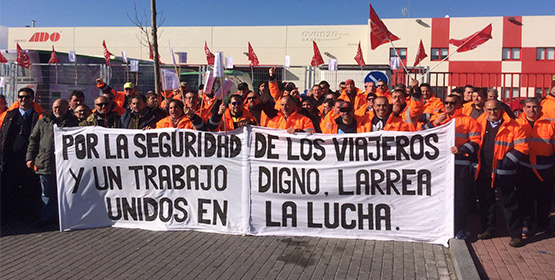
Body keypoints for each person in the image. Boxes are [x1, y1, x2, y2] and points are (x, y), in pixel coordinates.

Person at [422, 95, 481, 239]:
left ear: (459, 104)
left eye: (452, 103)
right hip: (439, 165)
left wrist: (462, 149)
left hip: (459, 164)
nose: (448, 105)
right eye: (446, 102)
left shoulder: (469, 121)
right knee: (438, 197)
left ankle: (460, 228)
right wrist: (435, 123)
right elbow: (423, 133)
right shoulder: (439, 118)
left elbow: (476, 142)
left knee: (459, 198)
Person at [474, 99, 528, 247]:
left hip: (505, 172)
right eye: (489, 110)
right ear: (484, 109)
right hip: (484, 170)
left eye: (495, 109)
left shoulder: (514, 125)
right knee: (486, 203)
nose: (492, 113)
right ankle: (488, 229)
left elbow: (522, 147)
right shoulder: (478, 123)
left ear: (501, 109)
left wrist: (506, 162)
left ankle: (516, 235)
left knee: (509, 203)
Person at [26, 99, 79, 227]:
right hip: (46, 162)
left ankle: (62, 217)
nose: (57, 110)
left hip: (66, 165)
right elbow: (33, 139)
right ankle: (47, 218)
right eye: (55, 107)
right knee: (47, 193)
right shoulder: (44, 121)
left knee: (64, 193)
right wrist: (29, 157)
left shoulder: (74, 122)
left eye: (60, 108)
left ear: (67, 108)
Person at [0, 88, 45, 224]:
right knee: (9, 187)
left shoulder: (39, 117)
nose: (23, 100)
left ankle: (27, 216)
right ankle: (8, 216)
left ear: (32, 99)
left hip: (30, 159)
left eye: (26, 97)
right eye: (20, 97)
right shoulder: (9, 115)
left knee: (29, 188)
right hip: (11, 158)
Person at [515, 98, 554, 237]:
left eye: (535, 107)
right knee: (525, 198)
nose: (532, 110)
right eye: (529, 107)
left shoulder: (550, 124)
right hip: (525, 167)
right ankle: (527, 224)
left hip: (546, 168)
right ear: (523, 109)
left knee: (545, 199)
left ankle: (544, 223)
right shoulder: (517, 124)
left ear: (540, 108)